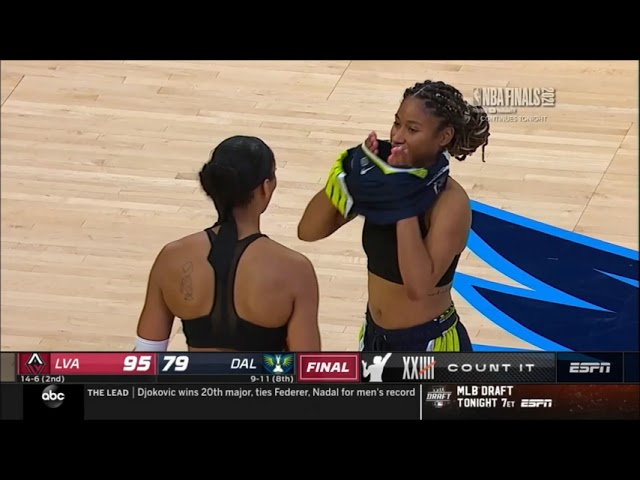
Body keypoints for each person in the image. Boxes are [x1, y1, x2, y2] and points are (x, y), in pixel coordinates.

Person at [298, 80, 490, 352]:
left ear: (443, 137)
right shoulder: (384, 179)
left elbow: (418, 287)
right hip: (374, 338)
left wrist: (402, 200)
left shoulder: (451, 201)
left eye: (412, 129)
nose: (398, 136)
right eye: (396, 123)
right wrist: (348, 178)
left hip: (429, 345)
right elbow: (308, 232)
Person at [134, 135, 322, 352]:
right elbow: (309, 371)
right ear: (266, 187)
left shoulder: (171, 257)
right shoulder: (295, 270)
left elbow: (145, 356)